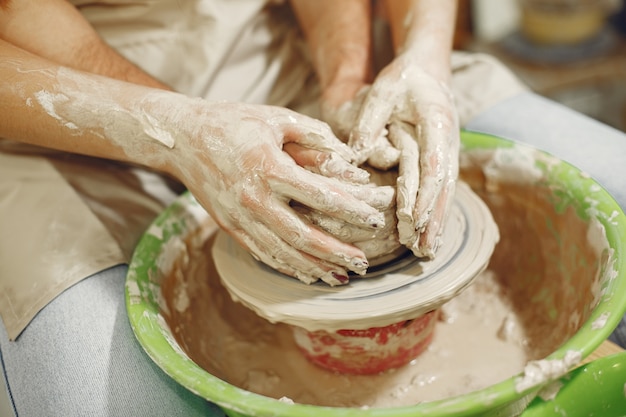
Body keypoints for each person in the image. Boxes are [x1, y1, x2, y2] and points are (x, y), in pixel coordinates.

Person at [0, 0, 534, 415]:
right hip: (64, 109)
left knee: (615, 184)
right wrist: (179, 133)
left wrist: (363, 72)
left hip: (277, 54)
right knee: (123, 404)